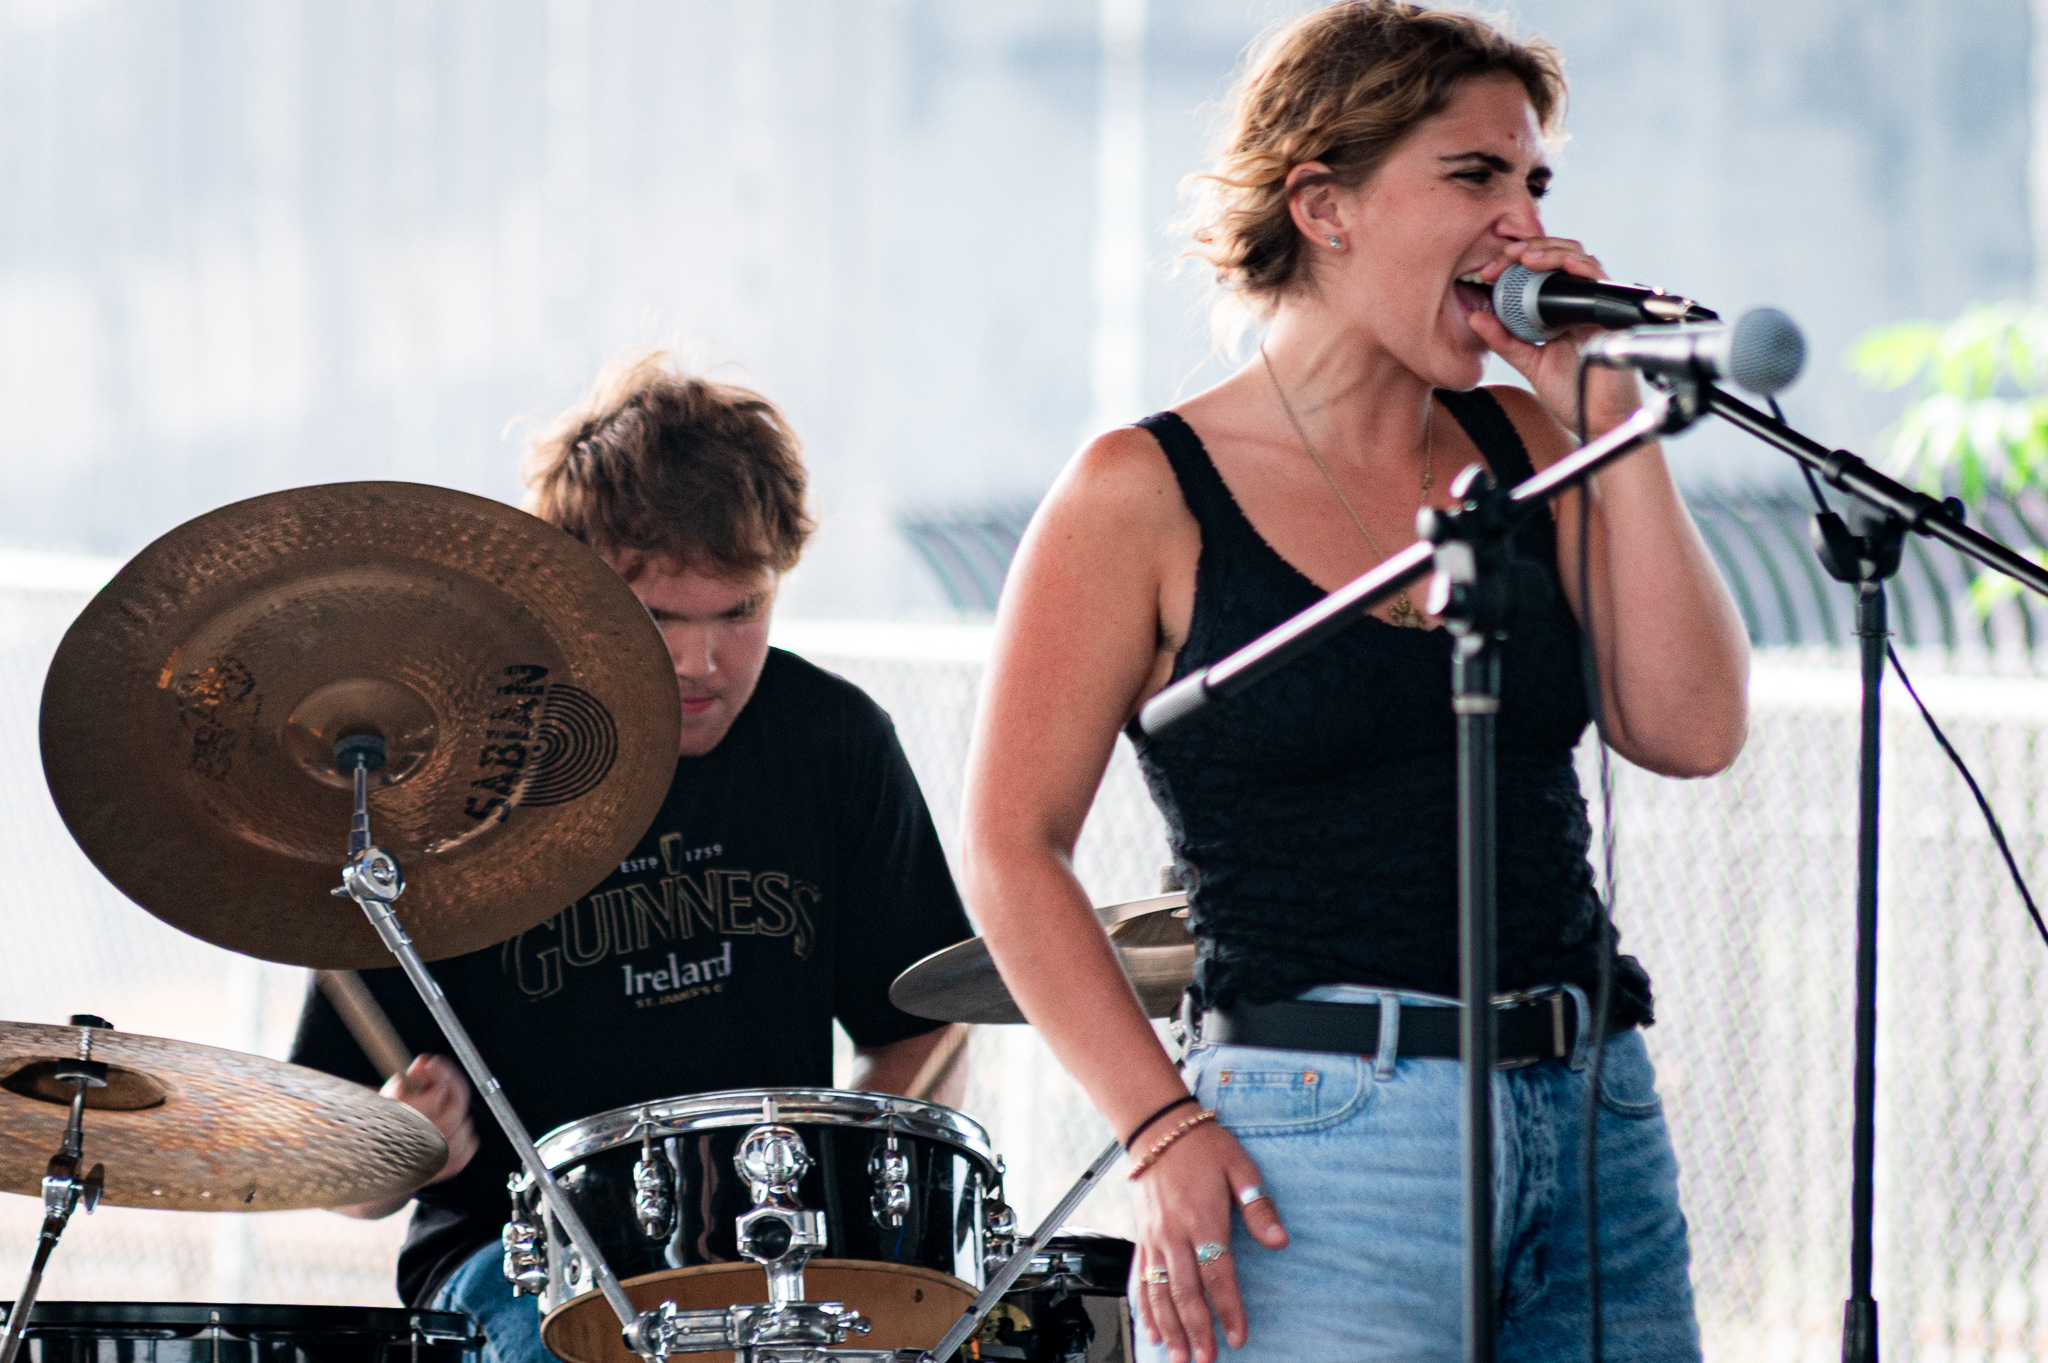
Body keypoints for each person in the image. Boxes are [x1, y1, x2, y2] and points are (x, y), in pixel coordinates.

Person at [960, 5, 1748, 1362]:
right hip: (1322, 1146)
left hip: (1591, 1108)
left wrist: (1609, 430)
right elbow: (1007, 846)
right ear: (1321, 205)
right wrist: (1158, 1125)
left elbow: (1689, 727)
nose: (1522, 225)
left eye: (1533, 182)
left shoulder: (1538, 444)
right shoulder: (1139, 490)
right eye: (1473, 175)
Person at [290, 351, 973, 1363]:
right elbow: (337, 1164)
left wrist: (858, 1187)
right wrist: (405, 1145)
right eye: (659, 617)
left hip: (778, 1253)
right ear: (573, 594)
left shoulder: (831, 740)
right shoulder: (454, 784)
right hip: (516, 1257)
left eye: (740, 610)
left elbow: (925, 1026)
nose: (702, 660)